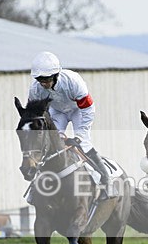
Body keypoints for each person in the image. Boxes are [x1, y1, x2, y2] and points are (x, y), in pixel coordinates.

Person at [26, 51, 114, 200]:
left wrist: (79, 136)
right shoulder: (35, 89)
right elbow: (34, 114)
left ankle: (106, 182)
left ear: (56, 75)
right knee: (49, 145)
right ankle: (36, 187)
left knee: (84, 144)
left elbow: (87, 109)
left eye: (46, 79)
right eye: (40, 79)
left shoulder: (73, 81)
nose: (43, 84)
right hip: (57, 112)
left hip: (78, 111)